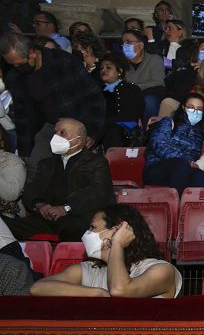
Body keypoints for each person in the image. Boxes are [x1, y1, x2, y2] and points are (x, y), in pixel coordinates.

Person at [0, 32, 104, 183]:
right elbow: (23, 115)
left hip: (79, 121)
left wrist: (93, 132)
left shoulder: (63, 61)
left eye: (19, 64)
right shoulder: (15, 77)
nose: (16, 68)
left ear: (33, 53)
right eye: (11, 65)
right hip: (47, 127)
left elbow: (94, 98)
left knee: (78, 172)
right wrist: (25, 149)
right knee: (35, 166)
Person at [30, 203, 181, 297]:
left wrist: (117, 244)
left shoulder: (161, 269)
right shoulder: (88, 270)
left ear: (117, 230)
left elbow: (120, 291)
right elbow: (38, 288)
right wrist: (96, 293)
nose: (87, 233)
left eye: (93, 227)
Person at [5, 118, 112, 241]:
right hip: (47, 220)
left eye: (62, 133)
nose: (56, 136)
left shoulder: (96, 162)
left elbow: (98, 192)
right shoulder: (46, 163)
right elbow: (31, 189)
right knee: (4, 225)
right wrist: (40, 205)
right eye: (55, 132)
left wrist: (66, 209)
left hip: (77, 218)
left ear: (79, 140)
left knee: (76, 228)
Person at [142, 94, 204, 192]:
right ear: (183, 108)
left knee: (199, 174)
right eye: (191, 107)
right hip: (157, 167)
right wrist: (185, 160)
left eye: (199, 109)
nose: (195, 111)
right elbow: (159, 145)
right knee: (181, 165)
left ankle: (192, 206)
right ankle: (176, 203)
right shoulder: (169, 122)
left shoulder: (201, 132)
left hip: (184, 170)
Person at [98, 53, 145, 147]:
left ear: (119, 71)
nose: (103, 70)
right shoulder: (97, 90)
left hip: (125, 128)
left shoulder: (131, 89)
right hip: (103, 126)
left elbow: (135, 111)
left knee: (113, 129)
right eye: (101, 68)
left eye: (108, 67)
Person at [120, 28, 165, 123]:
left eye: (128, 42)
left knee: (149, 101)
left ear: (140, 45)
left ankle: (147, 133)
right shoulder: (121, 63)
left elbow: (158, 81)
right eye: (123, 42)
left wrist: (134, 87)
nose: (125, 45)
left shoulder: (154, 59)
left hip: (148, 96)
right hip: (127, 97)